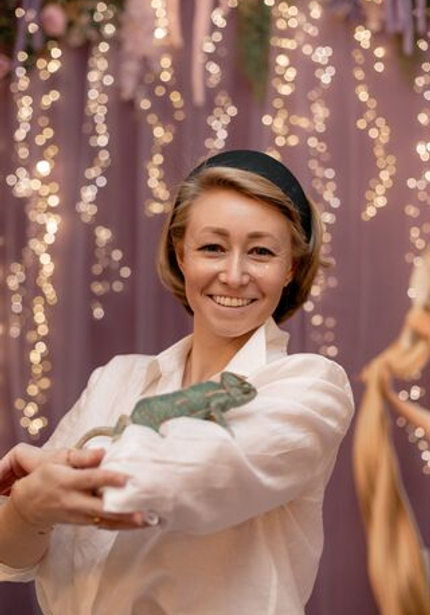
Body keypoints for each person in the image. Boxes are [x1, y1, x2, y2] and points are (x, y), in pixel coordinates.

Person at [0, 150, 354, 615]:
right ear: (181, 253)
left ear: (290, 268)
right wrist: (27, 509)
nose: (234, 275)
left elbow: (203, 473)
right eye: (212, 247)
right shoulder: (114, 380)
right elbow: (16, 557)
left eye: (262, 251)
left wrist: (52, 480)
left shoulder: (310, 385)